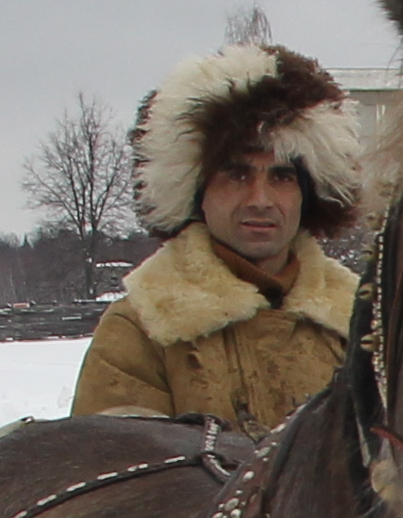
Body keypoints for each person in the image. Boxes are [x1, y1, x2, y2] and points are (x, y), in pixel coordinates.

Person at [73, 44, 374, 430]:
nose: (260, 200)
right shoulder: (143, 327)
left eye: (281, 177)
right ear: (198, 192)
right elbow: (118, 478)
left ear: (308, 194)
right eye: (237, 175)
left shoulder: (360, 323)